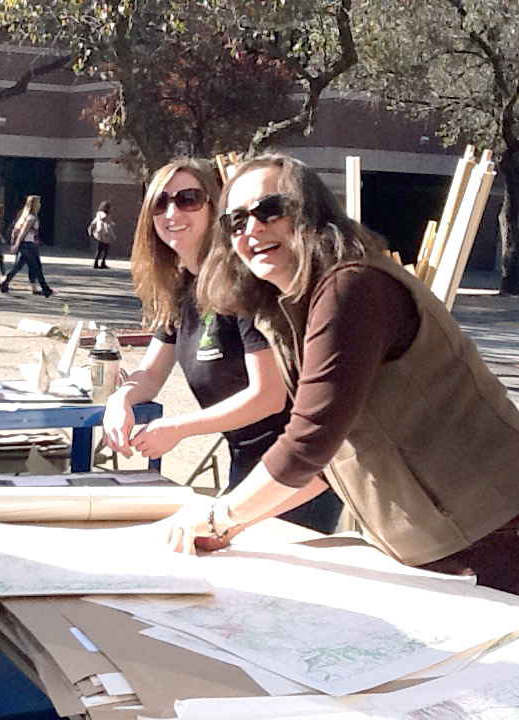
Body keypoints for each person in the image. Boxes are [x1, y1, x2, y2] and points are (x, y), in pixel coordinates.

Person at [167, 151, 519, 625]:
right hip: (441, 541)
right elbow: (330, 462)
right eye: (235, 222)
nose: (250, 230)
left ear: (311, 214)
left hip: (503, 529)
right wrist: (235, 527)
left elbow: (308, 444)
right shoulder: (290, 308)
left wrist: (220, 516)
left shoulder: (352, 288)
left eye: (269, 210)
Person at [102, 159, 342, 533]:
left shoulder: (244, 285)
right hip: (246, 464)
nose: (172, 212)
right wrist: (120, 401)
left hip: (295, 475)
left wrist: (177, 428)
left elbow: (269, 396)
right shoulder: (182, 289)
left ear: (215, 209)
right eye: (160, 203)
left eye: (188, 199)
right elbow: (150, 373)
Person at [0, 194, 53, 297]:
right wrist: (16, 244)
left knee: (21, 266)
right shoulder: (31, 218)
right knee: (36, 267)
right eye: (38, 203)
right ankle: (45, 289)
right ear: (33, 205)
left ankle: (4, 283)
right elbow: (23, 232)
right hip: (27, 245)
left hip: (29, 245)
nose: (40, 205)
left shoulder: (28, 216)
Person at [89, 200, 116, 269]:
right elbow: (107, 226)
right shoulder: (106, 216)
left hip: (99, 234)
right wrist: (112, 235)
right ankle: (102, 263)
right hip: (105, 235)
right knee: (106, 249)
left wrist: (90, 230)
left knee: (99, 249)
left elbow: (93, 223)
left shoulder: (98, 214)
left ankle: (96, 263)